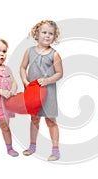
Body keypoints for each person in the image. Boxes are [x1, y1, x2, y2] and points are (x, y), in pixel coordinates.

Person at [20, 20, 63, 161]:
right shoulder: (29, 51)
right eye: (44, 32)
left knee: (51, 120)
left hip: (48, 93)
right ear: (36, 34)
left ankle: (55, 150)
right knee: (34, 119)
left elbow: (59, 73)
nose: (47, 36)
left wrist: (48, 80)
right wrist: (25, 81)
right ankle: (32, 146)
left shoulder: (54, 54)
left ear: (54, 37)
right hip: (33, 91)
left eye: (51, 33)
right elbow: (22, 67)